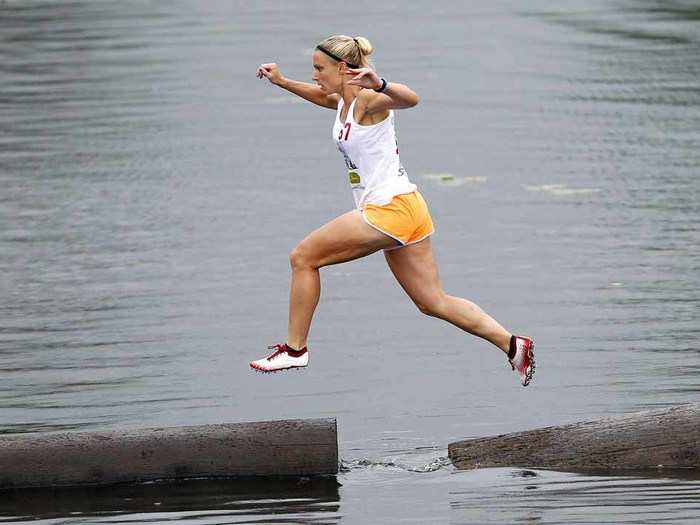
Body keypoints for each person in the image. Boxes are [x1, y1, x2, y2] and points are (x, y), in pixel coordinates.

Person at [251, 35, 535, 386]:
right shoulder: (343, 101)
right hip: (409, 208)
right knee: (433, 302)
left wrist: (381, 83)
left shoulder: (370, 101)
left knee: (303, 258)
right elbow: (321, 97)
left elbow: (410, 99)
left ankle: (295, 350)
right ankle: (512, 344)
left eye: (318, 68)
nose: (314, 75)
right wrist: (281, 82)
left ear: (343, 68)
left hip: (390, 210)